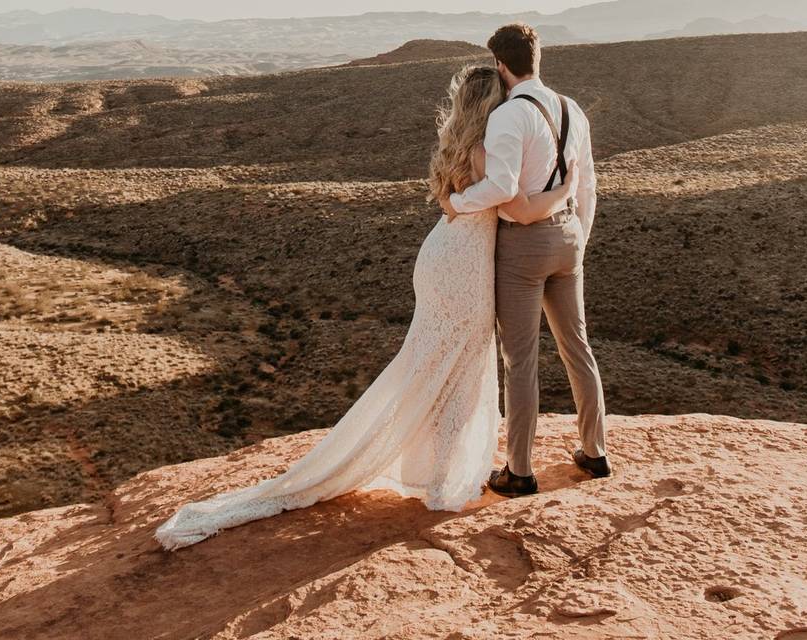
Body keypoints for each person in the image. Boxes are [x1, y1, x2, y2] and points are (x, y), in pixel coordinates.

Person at [154, 64, 578, 551]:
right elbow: (511, 205)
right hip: (465, 268)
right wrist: (563, 192)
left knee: (434, 363)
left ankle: (433, 471)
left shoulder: (458, 144)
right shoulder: (488, 149)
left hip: (443, 256)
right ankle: (443, 480)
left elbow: (461, 202)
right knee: (461, 365)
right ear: (493, 102)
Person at [440, 22, 611, 498]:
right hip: (569, 237)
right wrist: (578, 238)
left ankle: (519, 470)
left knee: (520, 359)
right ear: (537, 58)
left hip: (523, 243)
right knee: (577, 345)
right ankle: (595, 451)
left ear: (500, 64)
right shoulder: (572, 109)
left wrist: (457, 204)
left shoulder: (509, 115)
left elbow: (501, 188)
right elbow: (588, 185)